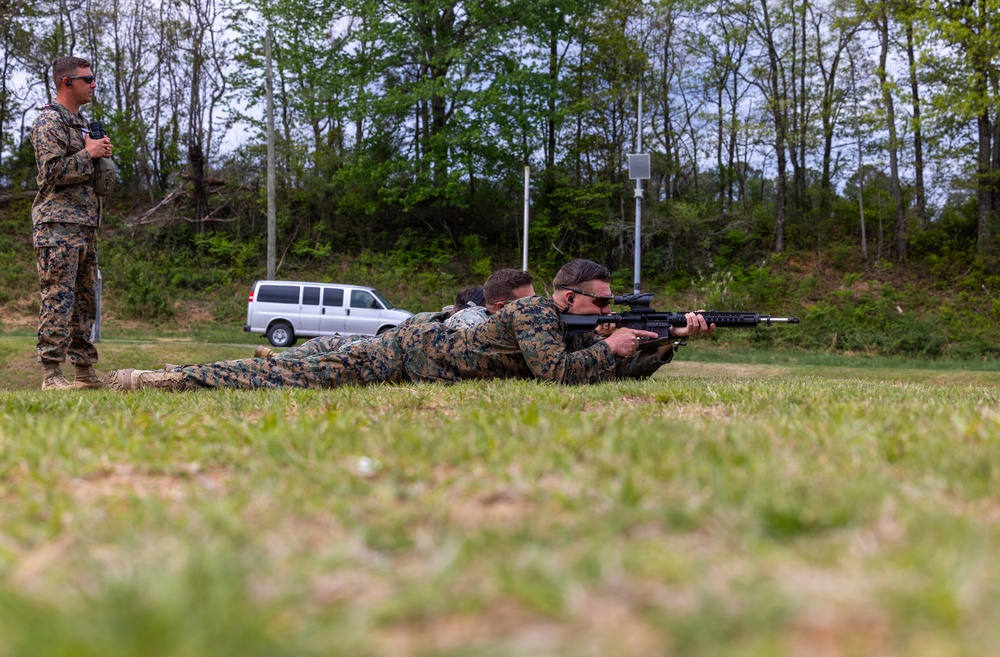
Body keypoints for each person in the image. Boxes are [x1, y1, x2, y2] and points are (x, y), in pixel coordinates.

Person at [104, 258, 713, 392]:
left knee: (287, 368)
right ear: (570, 297)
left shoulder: (567, 322)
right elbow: (559, 374)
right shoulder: (533, 312)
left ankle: (173, 377)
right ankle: (161, 380)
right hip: (397, 356)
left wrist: (666, 345)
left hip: (415, 354)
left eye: (612, 309)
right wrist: (619, 347)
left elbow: (594, 369)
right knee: (285, 376)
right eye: (601, 306)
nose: (607, 316)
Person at [29, 56, 113, 390]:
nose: (93, 84)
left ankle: (84, 373)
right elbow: (49, 174)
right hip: (57, 227)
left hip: (85, 226)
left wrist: (99, 154)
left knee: (84, 301)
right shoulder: (49, 121)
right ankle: (51, 374)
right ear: (67, 82)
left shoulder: (81, 123)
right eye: (88, 78)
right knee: (58, 299)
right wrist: (88, 155)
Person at [253, 268, 536, 360]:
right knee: (327, 350)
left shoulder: (479, 319)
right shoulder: (471, 321)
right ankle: (276, 358)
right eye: (530, 301)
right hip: (379, 350)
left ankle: (275, 356)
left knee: (325, 347)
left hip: (383, 346)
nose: (535, 307)